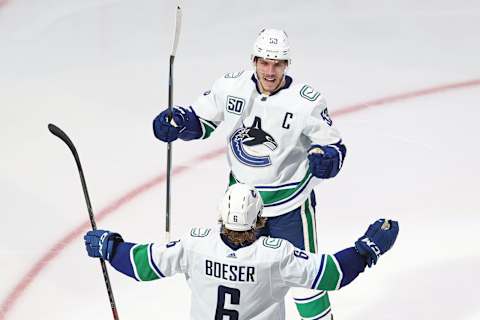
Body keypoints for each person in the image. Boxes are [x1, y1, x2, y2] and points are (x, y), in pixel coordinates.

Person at [152, 28, 346, 318]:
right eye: (265, 62)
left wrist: (327, 159)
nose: (270, 70)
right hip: (241, 207)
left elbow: (334, 146)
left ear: (287, 65)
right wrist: (178, 122)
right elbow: (200, 121)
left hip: (289, 207)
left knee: (308, 283)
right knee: (237, 275)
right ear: (253, 60)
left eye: (278, 63)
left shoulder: (307, 102)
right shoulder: (230, 87)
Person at [84, 183, 399, 320]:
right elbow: (333, 273)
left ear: (221, 216)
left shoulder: (196, 245)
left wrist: (109, 247)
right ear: (261, 219)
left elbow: (142, 265)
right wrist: (367, 249)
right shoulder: (276, 256)